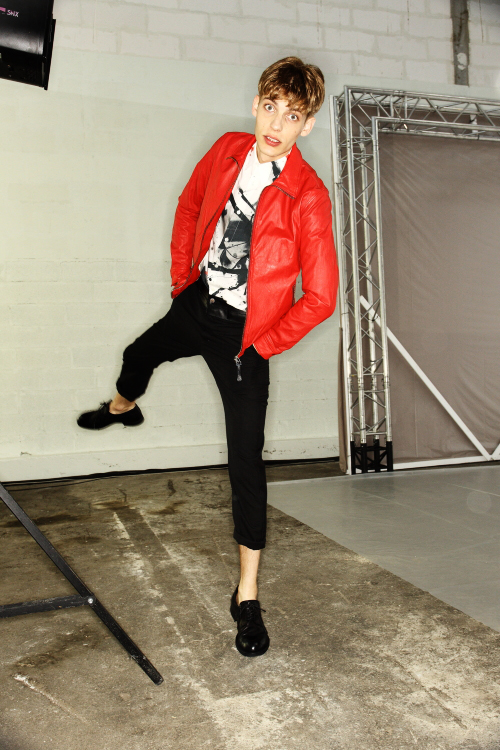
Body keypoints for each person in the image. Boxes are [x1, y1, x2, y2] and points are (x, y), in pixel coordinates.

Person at [77, 57, 339, 658]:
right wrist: (181, 283)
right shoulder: (226, 150)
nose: (276, 124)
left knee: (246, 463)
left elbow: (321, 297)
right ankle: (122, 407)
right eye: (270, 108)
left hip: (247, 337)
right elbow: (191, 206)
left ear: (307, 124)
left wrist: (263, 344)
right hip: (199, 302)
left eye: (292, 116)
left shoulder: (308, 195)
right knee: (137, 354)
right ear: (256, 104)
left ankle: (246, 596)